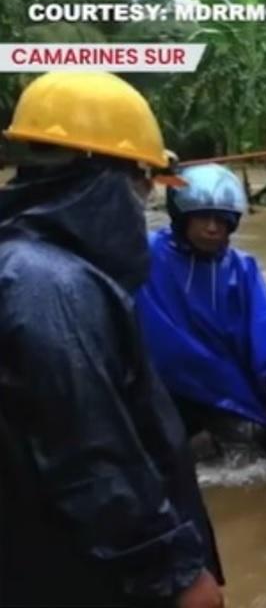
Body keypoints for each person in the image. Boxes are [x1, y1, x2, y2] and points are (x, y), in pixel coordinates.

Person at [0, 71, 224, 606]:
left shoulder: (29, 264)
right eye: (144, 179)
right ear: (103, 178)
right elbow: (91, 454)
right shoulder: (49, 285)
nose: (146, 197)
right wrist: (174, 573)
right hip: (83, 574)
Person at [135, 163, 266, 460]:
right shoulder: (146, 254)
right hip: (166, 384)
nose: (213, 228)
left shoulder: (241, 267)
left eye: (221, 221)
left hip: (227, 384)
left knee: (260, 448)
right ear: (182, 218)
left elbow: (264, 325)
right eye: (203, 219)